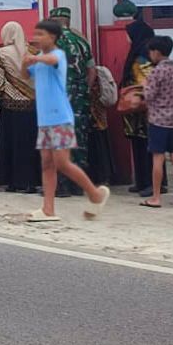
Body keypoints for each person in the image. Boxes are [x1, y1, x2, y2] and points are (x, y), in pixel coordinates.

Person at [23, 19, 110, 222]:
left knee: (62, 163)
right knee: (47, 164)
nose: (36, 38)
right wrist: (25, 62)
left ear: (52, 37)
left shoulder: (58, 55)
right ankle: (48, 209)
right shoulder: (40, 58)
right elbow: (25, 75)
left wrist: (34, 58)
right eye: (35, 34)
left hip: (60, 117)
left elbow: (52, 60)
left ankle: (95, 194)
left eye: (40, 34)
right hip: (44, 120)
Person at [49, 6, 96, 192]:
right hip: (80, 99)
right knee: (79, 139)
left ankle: (62, 185)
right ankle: (79, 184)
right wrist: (85, 88)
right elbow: (92, 70)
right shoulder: (82, 42)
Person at [0, 21, 40, 193]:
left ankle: (13, 182)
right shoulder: (34, 52)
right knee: (30, 144)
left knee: (12, 144)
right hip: (33, 107)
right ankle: (32, 181)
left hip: (10, 107)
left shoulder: (1, 53)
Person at [141, 35, 173, 208]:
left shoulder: (157, 72)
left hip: (158, 120)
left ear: (156, 52)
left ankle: (156, 197)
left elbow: (148, 96)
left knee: (158, 159)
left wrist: (144, 84)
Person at [121, 18, 168, 197]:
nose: (127, 38)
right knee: (140, 144)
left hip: (145, 108)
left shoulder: (143, 57)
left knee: (148, 146)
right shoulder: (140, 53)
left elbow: (148, 82)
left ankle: (153, 183)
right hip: (138, 109)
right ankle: (142, 181)